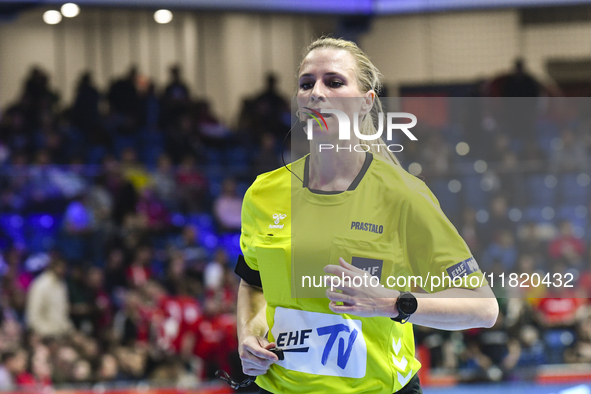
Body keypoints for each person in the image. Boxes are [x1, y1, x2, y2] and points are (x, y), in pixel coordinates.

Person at [234, 37, 498, 394]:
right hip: (276, 387)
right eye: (306, 83)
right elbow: (253, 281)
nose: (316, 92)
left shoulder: (404, 196)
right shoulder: (264, 193)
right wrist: (247, 332)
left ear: (365, 103)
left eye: (335, 81)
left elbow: (483, 307)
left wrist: (394, 303)